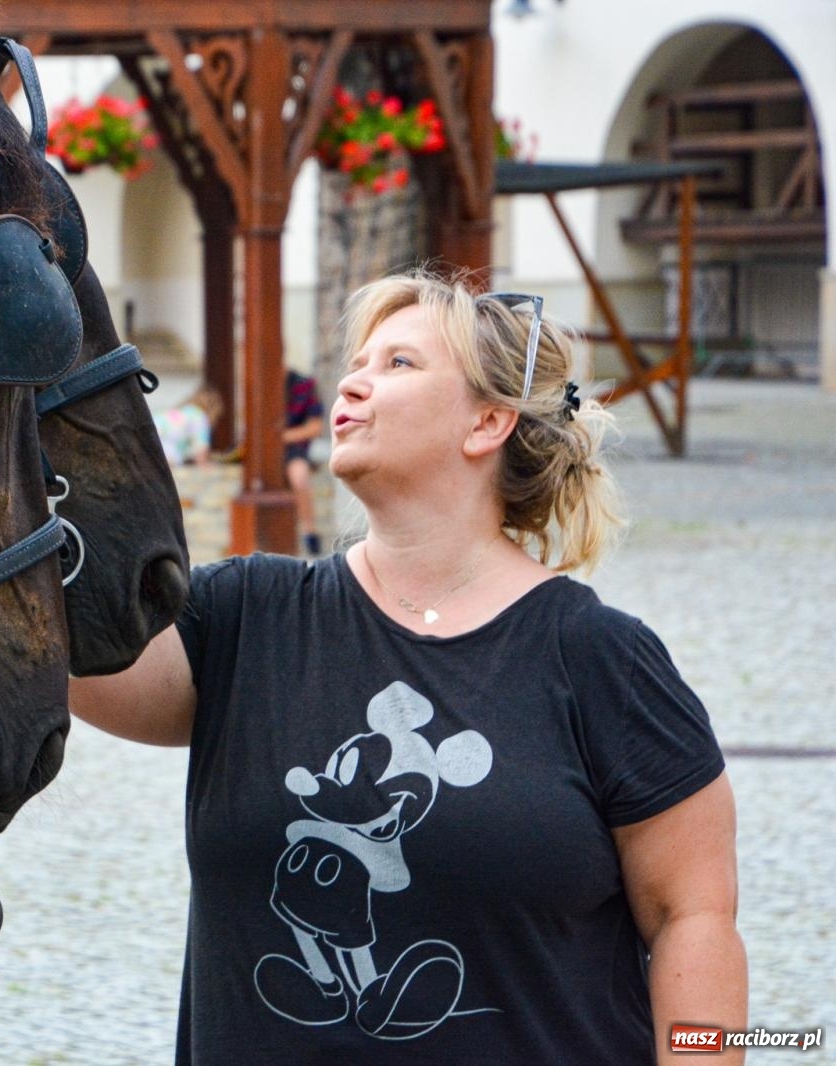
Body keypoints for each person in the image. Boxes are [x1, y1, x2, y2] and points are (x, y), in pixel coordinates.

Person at [70, 272, 745, 1064]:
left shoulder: (602, 661)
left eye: (398, 364)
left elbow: (693, 920)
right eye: (357, 360)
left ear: (487, 421)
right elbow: (72, 656)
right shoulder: (247, 615)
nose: (351, 380)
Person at [283, 368, 325, 555]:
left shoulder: (303, 384)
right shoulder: (251, 383)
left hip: (294, 448)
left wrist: (282, 437)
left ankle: (310, 532)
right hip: (259, 450)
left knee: (299, 476)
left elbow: (315, 427)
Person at [154, 385, 225, 466]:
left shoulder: (185, 411)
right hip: (165, 445)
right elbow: (201, 449)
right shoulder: (199, 417)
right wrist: (206, 463)